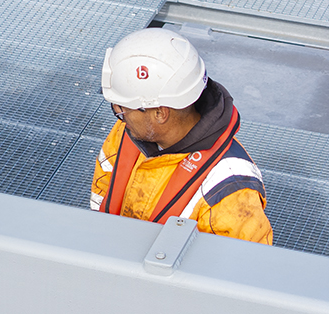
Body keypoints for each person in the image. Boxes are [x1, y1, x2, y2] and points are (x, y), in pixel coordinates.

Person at [92, 28, 273, 244]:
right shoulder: (127, 132)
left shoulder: (229, 189)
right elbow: (101, 192)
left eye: (122, 108)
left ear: (160, 113)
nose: (119, 114)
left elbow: (243, 260)